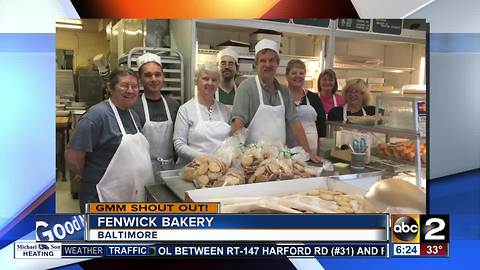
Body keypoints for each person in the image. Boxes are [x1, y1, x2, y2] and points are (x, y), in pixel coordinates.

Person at [65, 68, 154, 210]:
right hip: (103, 197)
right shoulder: (96, 116)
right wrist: (88, 175)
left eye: (135, 86)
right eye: (124, 85)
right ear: (110, 88)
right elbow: (73, 156)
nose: (130, 90)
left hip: (133, 198)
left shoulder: (133, 115)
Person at [230, 39, 322, 162]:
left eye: (271, 60)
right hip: (253, 160)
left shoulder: (284, 91)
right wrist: (235, 156)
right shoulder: (247, 88)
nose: (267, 64)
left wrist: (308, 152)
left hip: (280, 160)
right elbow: (238, 124)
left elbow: (295, 124)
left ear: (277, 64)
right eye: (263, 60)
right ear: (256, 64)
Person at [173, 63, 231, 167]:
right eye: (205, 78)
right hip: (193, 169)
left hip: (219, 169)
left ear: (218, 83)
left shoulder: (225, 110)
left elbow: (232, 141)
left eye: (214, 80)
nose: (210, 83)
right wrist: (203, 158)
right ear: (196, 81)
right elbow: (179, 144)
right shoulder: (185, 110)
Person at [132, 52, 179, 172]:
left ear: (163, 77)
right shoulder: (133, 106)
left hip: (170, 168)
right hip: (142, 168)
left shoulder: (173, 105)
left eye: (157, 74)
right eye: (148, 75)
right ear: (140, 79)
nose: (153, 79)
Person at [285, 59, 326, 155]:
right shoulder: (281, 97)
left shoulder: (314, 98)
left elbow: (321, 125)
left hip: (312, 151)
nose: (298, 76)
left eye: (301, 73)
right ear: (287, 76)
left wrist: (322, 150)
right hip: (287, 151)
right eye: (294, 73)